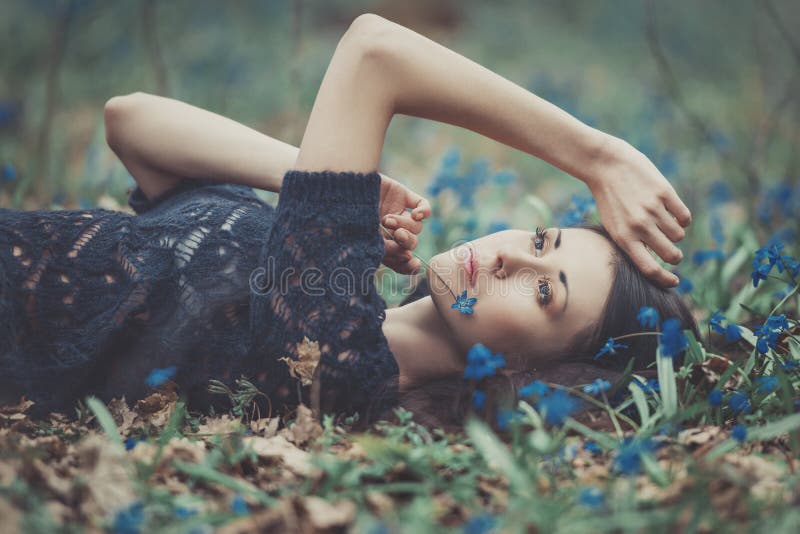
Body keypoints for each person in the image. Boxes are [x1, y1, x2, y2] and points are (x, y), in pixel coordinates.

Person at [0, 14, 696, 427]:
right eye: (544, 240)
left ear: (525, 371)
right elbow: (133, 123)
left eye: (546, 293)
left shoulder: (334, 357)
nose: (517, 258)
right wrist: (314, 182)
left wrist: (598, 157)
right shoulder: (330, 281)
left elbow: (372, 50)